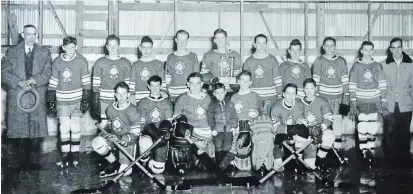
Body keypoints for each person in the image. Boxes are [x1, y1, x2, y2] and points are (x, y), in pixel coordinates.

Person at [1, 24, 52, 170]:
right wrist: (19, 82)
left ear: (37, 35)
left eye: (34, 34)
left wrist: (33, 80)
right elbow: (4, 72)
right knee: (19, 131)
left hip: (37, 95)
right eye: (28, 34)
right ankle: (21, 163)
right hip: (17, 95)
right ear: (22, 35)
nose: (31, 37)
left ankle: (34, 162)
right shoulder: (11, 52)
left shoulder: (44, 52)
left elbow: (48, 72)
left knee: (37, 130)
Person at [48, 36, 91, 168]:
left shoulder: (81, 61)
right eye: (67, 47)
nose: (70, 50)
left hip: (77, 99)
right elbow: (53, 82)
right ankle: (66, 155)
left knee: (76, 127)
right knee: (64, 127)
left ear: (76, 47)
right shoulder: (57, 62)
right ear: (63, 47)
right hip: (62, 100)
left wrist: (86, 98)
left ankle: (75, 154)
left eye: (72, 47)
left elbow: (86, 82)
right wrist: (51, 98)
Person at [92, 82, 141, 178]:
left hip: (128, 142)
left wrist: (119, 138)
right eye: (118, 94)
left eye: (124, 94)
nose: (121, 97)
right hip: (114, 140)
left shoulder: (133, 111)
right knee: (96, 142)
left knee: (125, 172)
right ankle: (114, 162)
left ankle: (124, 164)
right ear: (115, 95)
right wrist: (103, 134)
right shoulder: (110, 108)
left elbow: (136, 134)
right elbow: (109, 126)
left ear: (128, 95)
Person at [349, 41, 387, 164]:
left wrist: (383, 102)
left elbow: (382, 85)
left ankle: (371, 150)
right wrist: (353, 104)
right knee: (362, 126)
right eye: (365, 50)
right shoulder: (356, 66)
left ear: (373, 51)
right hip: (361, 101)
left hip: (374, 101)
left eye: (370, 50)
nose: (368, 52)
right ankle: (364, 151)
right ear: (361, 51)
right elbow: (352, 86)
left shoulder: (377, 66)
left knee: (371, 126)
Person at [312, 37, 349, 150]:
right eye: (327, 46)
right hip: (323, 99)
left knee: (337, 125)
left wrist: (345, 99)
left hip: (337, 99)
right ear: (323, 47)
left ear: (335, 46)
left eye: (332, 45)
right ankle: (324, 151)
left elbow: (345, 82)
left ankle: (337, 150)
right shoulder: (318, 61)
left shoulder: (341, 61)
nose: (330, 48)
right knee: (324, 124)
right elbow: (315, 83)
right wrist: (316, 100)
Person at [382, 37, 413, 168]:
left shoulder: (411, 64)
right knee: (389, 133)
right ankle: (390, 162)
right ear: (390, 49)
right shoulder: (383, 64)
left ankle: (404, 161)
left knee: (404, 133)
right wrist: (382, 103)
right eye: (393, 48)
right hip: (389, 103)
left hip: (406, 103)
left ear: (402, 47)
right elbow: (381, 86)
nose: (396, 50)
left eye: (398, 47)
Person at [173, 72, 214, 169]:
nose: (195, 86)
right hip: (192, 135)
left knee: (208, 167)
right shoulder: (182, 99)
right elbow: (176, 122)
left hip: (208, 135)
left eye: (197, 83)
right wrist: (193, 140)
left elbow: (214, 118)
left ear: (202, 84)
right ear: (187, 84)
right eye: (192, 83)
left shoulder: (209, 98)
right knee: (199, 166)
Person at [92, 35, 131, 124]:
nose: (113, 48)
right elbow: (95, 84)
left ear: (119, 46)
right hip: (104, 99)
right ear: (106, 47)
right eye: (110, 45)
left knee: (120, 123)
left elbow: (128, 84)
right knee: (105, 123)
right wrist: (95, 99)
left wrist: (127, 98)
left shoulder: (125, 62)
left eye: (115, 45)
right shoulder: (100, 62)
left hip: (120, 99)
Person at [301, 78, 336, 170]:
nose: (309, 91)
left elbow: (329, 118)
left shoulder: (322, 100)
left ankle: (320, 158)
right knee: (310, 167)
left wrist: (320, 128)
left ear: (315, 88)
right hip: (306, 132)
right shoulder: (299, 102)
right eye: (307, 88)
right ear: (303, 89)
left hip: (319, 130)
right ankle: (306, 159)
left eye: (311, 88)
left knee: (329, 136)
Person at [243, 34, 282, 115]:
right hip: (254, 98)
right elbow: (245, 82)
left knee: (269, 122)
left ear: (266, 45)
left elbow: (278, 80)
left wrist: (279, 96)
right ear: (254, 45)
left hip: (271, 98)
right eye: (259, 43)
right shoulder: (248, 61)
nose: (261, 46)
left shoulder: (272, 59)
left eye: (263, 43)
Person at [270, 83, 305, 171]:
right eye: (288, 93)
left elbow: (302, 122)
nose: (290, 96)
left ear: (296, 95)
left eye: (293, 93)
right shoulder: (276, 107)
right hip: (281, 136)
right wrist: (293, 129)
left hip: (295, 134)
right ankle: (278, 162)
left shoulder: (300, 105)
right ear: (283, 94)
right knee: (277, 139)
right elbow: (276, 128)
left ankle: (298, 160)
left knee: (304, 136)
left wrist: (302, 123)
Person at [230, 70, 260, 171]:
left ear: (251, 83)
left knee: (245, 136)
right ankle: (234, 159)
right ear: (238, 81)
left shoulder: (254, 96)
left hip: (250, 126)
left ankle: (249, 156)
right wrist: (234, 126)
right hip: (237, 126)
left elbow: (255, 113)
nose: (244, 83)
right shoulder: (234, 97)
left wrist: (250, 121)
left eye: (247, 81)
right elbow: (231, 115)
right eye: (242, 80)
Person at [206, 83, 238, 166]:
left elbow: (233, 115)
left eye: (221, 93)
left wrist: (234, 126)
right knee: (218, 145)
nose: (220, 95)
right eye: (217, 93)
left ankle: (226, 164)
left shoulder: (229, 103)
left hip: (228, 129)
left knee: (228, 145)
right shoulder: (212, 104)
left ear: (225, 92)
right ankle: (218, 163)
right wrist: (212, 129)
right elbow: (210, 117)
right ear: (214, 94)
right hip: (218, 130)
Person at [130, 36, 167, 103]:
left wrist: (162, 95)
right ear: (140, 48)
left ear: (152, 48)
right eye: (144, 47)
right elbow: (132, 85)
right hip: (139, 99)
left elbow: (163, 84)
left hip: (154, 98)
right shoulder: (135, 65)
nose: (146, 50)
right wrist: (132, 96)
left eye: (149, 48)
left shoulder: (158, 64)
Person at [165, 30, 199, 101]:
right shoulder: (170, 57)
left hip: (189, 93)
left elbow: (197, 77)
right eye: (180, 40)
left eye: (184, 40)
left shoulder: (193, 56)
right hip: (173, 93)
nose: (182, 43)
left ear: (187, 41)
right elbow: (167, 78)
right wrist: (168, 92)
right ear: (176, 40)